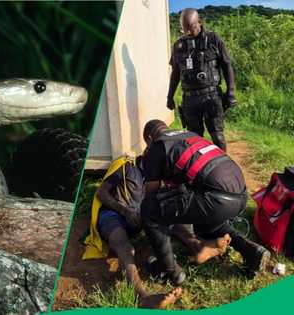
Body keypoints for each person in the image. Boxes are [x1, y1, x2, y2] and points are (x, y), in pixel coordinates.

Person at [85, 156, 229, 308]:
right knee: (125, 247)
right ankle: (141, 296)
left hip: (138, 218)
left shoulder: (155, 176)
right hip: (113, 215)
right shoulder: (125, 166)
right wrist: (126, 211)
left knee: (168, 219)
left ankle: (198, 246)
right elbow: (101, 193)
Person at [140, 119, 270, 286]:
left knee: (150, 209)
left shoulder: (157, 147)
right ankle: (249, 250)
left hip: (216, 197)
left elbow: (151, 193)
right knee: (205, 220)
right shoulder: (189, 135)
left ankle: (169, 270)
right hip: (240, 195)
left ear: (150, 138)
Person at [167, 8, 236, 152]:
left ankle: (223, 167)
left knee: (217, 136)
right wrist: (170, 96)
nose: (189, 32)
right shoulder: (178, 45)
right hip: (190, 100)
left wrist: (230, 92)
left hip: (211, 96)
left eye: (192, 28)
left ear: (200, 22)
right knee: (194, 138)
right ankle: (199, 169)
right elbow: (175, 73)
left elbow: (227, 65)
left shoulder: (213, 39)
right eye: (185, 29)